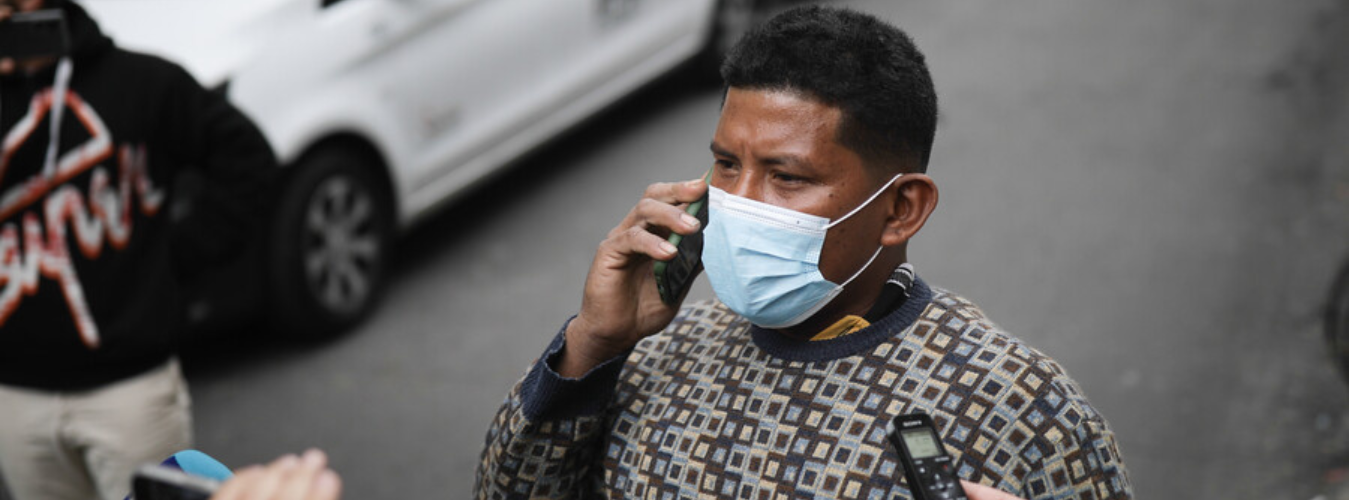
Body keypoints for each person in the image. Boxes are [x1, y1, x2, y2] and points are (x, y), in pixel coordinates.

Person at [475, 5, 1132, 500]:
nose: (738, 202)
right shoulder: (651, 354)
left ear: (900, 209)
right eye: (726, 165)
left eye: (786, 177)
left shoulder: (1018, 405)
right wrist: (592, 345)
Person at [0, 0, 275, 498]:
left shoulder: (142, 82)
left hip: (129, 390)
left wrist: (169, 265)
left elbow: (248, 162)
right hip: (15, 394)